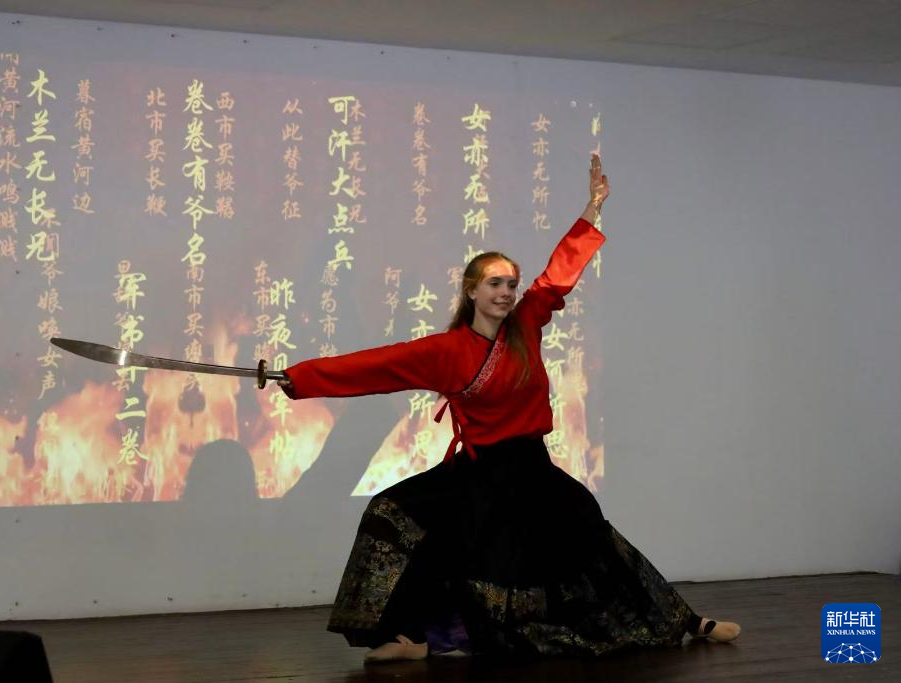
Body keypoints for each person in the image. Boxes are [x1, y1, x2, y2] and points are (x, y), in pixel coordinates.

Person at [278, 154, 740, 662]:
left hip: (531, 469)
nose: (505, 292)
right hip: (477, 473)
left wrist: (592, 209)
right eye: (494, 284)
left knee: (593, 535)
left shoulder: (525, 326)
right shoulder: (447, 350)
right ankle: (410, 639)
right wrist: (297, 378)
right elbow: (375, 367)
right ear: (471, 290)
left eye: (511, 284)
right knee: (396, 515)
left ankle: (686, 621)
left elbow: (559, 276)